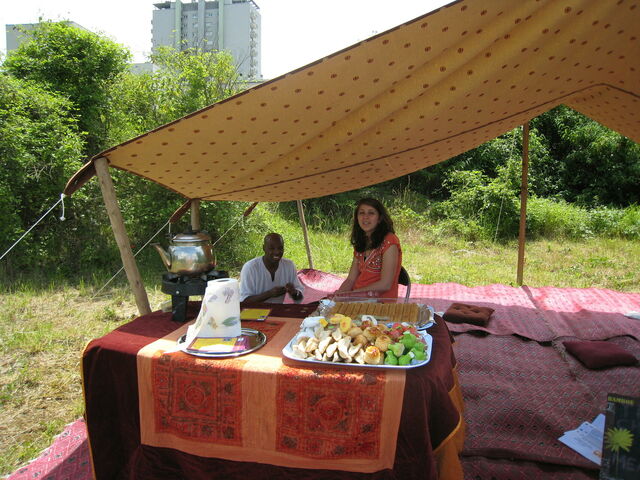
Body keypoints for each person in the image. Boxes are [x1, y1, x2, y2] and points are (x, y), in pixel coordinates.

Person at [335, 198, 402, 298]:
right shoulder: (362, 241)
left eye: (371, 213)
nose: (365, 217)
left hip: (380, 302)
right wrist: (339, 296)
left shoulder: (390, 240)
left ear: (380, 218)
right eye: (361, 213)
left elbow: (385, 284)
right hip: (356, 298)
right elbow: (351, 279)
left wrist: (353, 294)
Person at [239, 233, 304, 303]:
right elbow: (244, 301)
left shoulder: (289, 266)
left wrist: (294, 292)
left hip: (278, 309)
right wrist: (269, 294)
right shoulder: (250, 268)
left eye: (280, 248)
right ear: (264, 248)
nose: (277, 252)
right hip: (256, 309)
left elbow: (299, 298)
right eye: (272, 248)